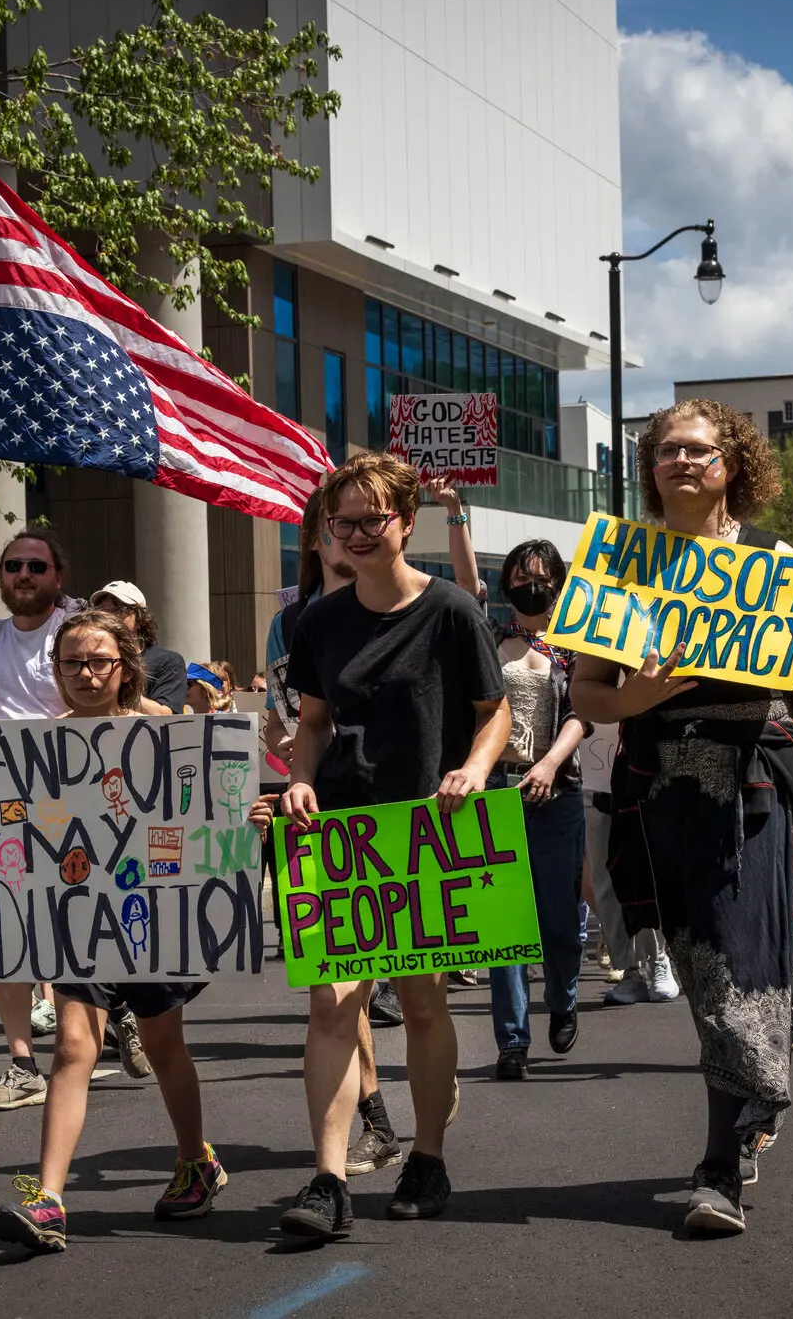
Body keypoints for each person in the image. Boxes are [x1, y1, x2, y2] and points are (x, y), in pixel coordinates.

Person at [569, 400, 793, 1237]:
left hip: (755, 787)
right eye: (666, 451)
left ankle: (717, 1172)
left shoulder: (775, 562)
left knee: (733, 968)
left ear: (733, 463)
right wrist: (634, 696)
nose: (682, 462)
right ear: (650, 468)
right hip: (658, 793)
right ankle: (764, 1054)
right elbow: (584, 690)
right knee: (702, 974)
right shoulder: (620, 561)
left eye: (699, 450)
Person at [277, 452, 510, 1237]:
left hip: (426, 830)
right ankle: (327, 1180)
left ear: (406, 521)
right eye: (341, 522)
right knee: (332, 1005)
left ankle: (429, 1155)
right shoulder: (319, 622)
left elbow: (493, 710)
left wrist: (474, 770)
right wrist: (300, 779)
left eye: (372, 519)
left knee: (420, 1002)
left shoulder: (450, 611)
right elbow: (311, 722)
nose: (356, 534)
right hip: (340, 831)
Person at [0, 610, 226, 1254]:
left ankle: (193, 1162)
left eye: (100, 662)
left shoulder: (163, 731)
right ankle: (49, 1203)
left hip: (152, 911)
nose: (87, 674)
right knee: (72, 1045)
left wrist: (248, 814)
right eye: (73, 663)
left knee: (162, 1040)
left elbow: (210, 814)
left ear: (125, 666)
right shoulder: (37, 744)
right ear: (57, 672)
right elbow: (7, 823)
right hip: (76, 912)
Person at [264, 480, 404, 1177]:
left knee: (389, 988)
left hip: (396, 811)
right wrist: (288, 770)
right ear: (314, 542)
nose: (343, 539)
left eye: (356, 525)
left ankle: (408, 1104)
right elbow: (282, 712)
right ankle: (365, 1125)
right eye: (329, 529)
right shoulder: (294, 624)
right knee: (335, 988)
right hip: (314, 807)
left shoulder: (402, 606)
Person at [437, 518, 590, 1077]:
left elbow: (582, 717)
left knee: (556, 918)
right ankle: (512, 1042)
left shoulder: (575, 647)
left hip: (555, 791)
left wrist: (550, 764)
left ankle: (565, 996)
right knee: (505, 925)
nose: (531, 584)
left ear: (557, 585)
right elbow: (463, 580)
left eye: (542, 576)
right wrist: (455, 514)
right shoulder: (488, 635)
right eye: (521, 576)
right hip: (495, 790)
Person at [0, 527, 87, 1110]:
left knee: (71, 927)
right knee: (3, 934)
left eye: (36, 567)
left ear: (56, 577)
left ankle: (84, 1039)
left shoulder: (77, 629)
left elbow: (101, 699)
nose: (23, 575)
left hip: (73, 799)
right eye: (13, 565)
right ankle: (22, 1063)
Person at [92, 580, 189, 713]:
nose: (108, 617)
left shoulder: (168, 661)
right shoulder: (86, 660)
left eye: (118, 609)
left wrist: (114, 691)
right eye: (101, 610)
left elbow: (165, 715)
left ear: (139, 620)